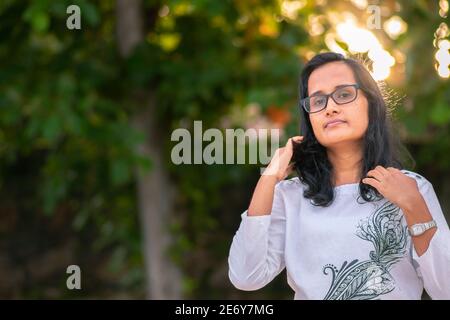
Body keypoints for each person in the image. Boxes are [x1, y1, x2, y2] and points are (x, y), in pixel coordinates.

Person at [228, 52, 450, 300]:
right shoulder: (289, 195)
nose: (330, 108)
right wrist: (268, 178)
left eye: (344, 94)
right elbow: (246, 276)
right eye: (317, 101)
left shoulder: (411, 188)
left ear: (372, 104)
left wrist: (414, 207)